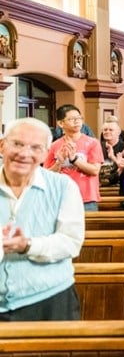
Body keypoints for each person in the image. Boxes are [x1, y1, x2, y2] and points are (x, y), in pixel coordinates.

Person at [0, 117, 85, 320]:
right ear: (2, 146)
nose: (24, 153)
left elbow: (70, 242)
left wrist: (28, 245)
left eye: (36, 147)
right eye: (17, 144)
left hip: (49, 299)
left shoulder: (63, 187)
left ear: (46, 154)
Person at [44, 105, 104, 211]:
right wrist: (59, 163)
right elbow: (46, 175)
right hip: (62, 197)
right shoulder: (54, 146)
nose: (77, 121)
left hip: (87, 199)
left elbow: (95, 170)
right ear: (60, 123)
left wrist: (74, 159)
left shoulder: (93, 143)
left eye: (79, 118)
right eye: (72, 119)